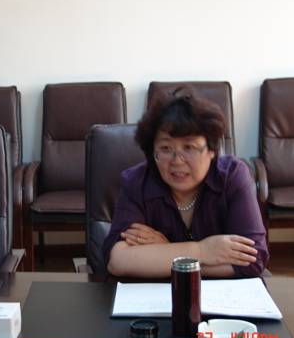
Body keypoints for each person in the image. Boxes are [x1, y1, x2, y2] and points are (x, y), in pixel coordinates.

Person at [103, 88, 268, 278]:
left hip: (219, 294)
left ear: (212, 150)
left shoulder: (232, 176)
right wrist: (202, 251)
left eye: (189, 147)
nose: (177, 161)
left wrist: (168, 255)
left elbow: (253, 260)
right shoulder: (137, 182)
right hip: (156, 293)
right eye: (165, 148)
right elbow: (118, 260)